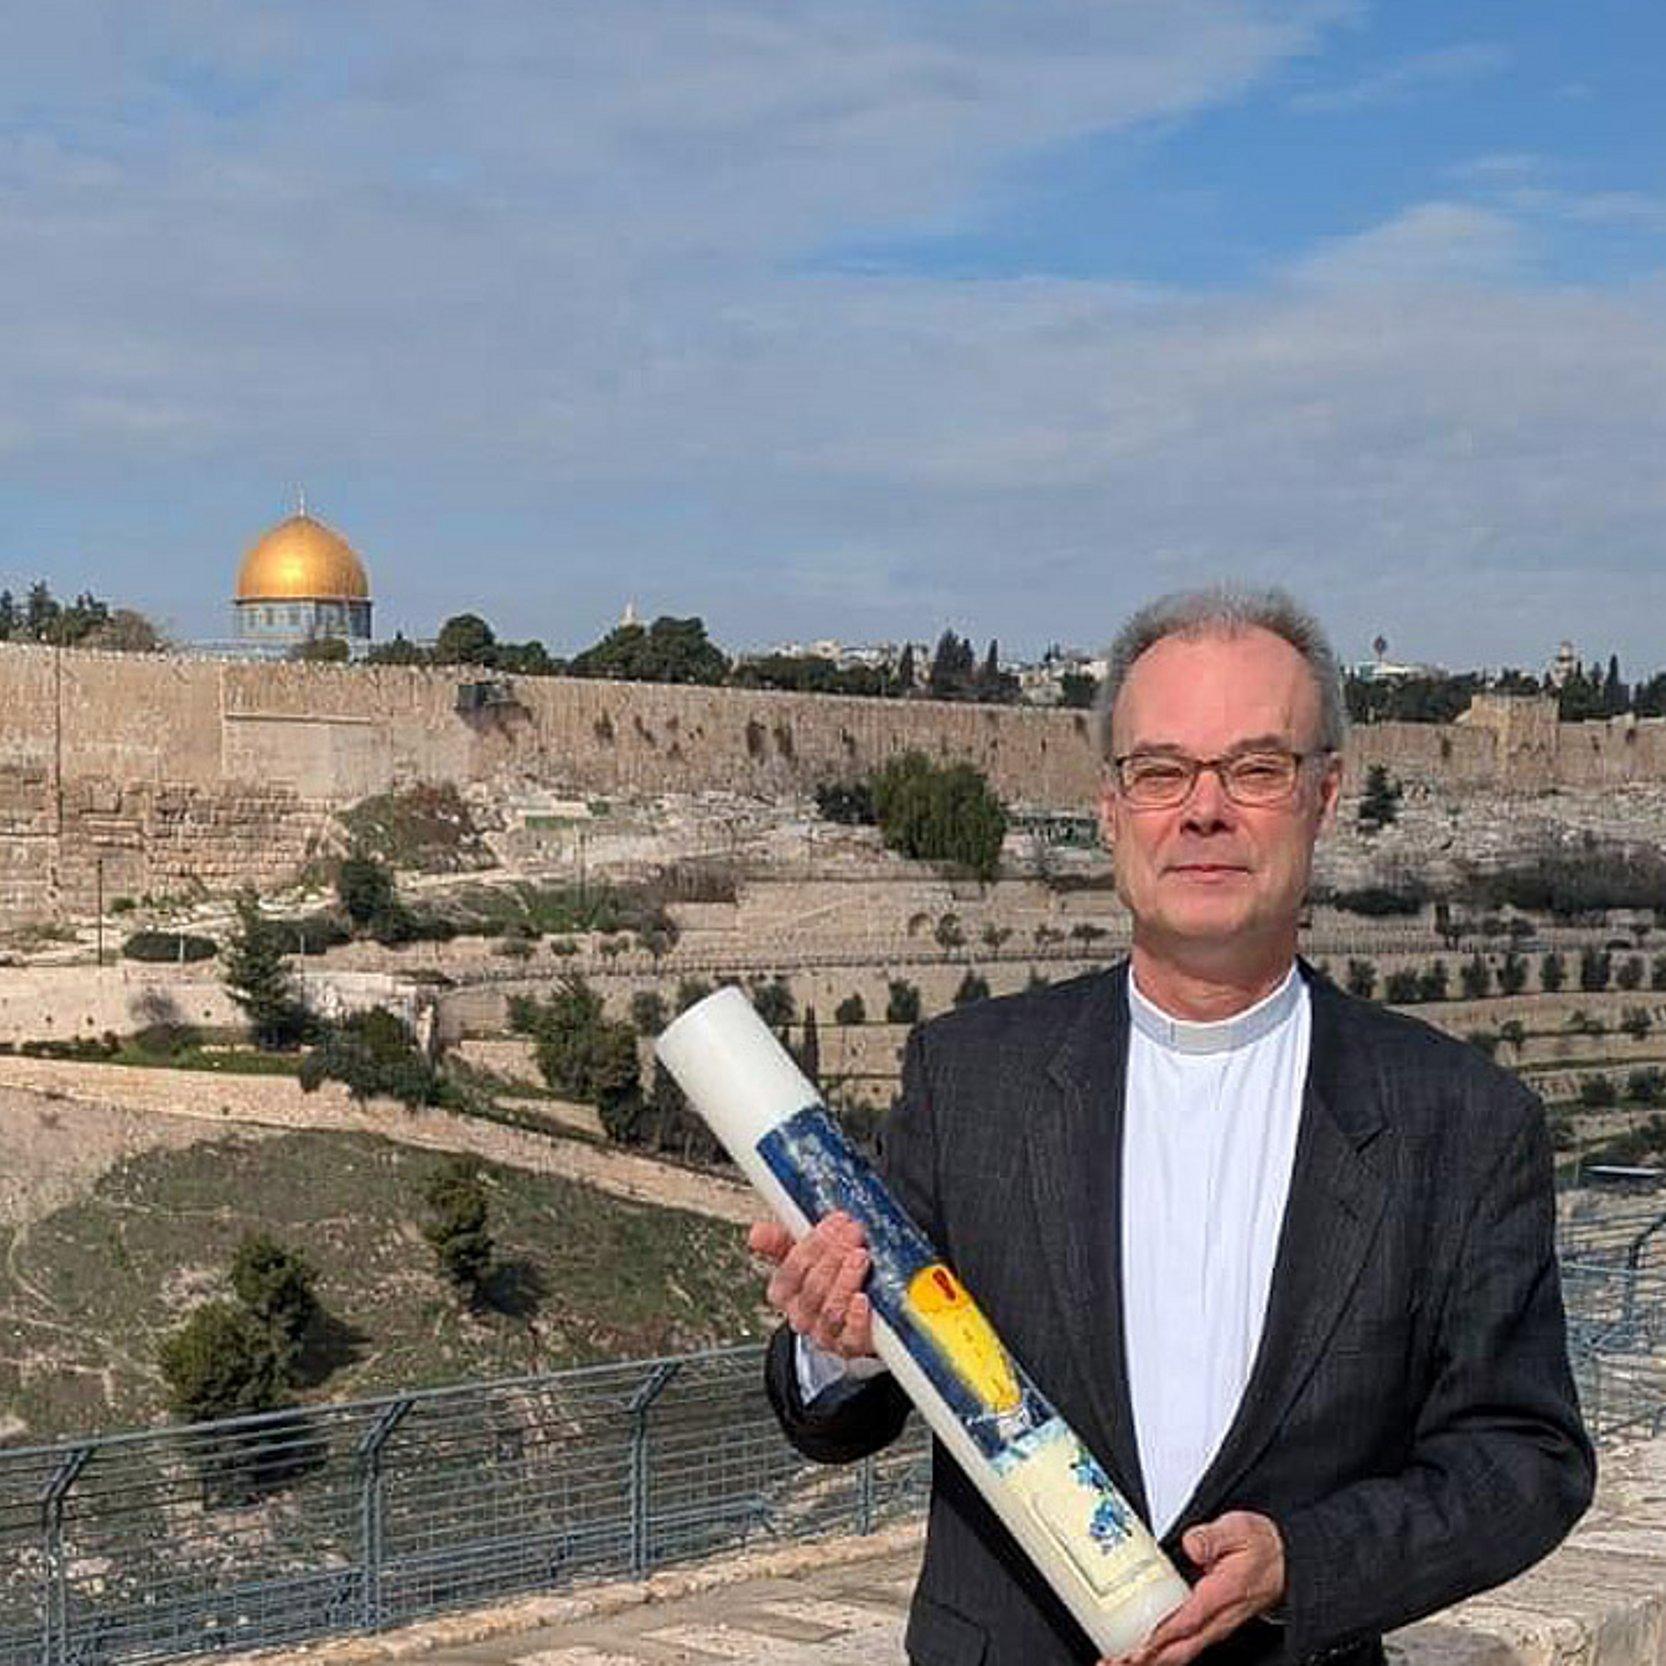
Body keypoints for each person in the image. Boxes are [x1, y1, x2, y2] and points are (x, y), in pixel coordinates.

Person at [751, 587, 1593, 1666]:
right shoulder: (970, 1079)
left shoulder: (1460, 1121)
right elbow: (837, 1409)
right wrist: (840, 1350)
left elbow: (1524, 1458)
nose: (1203, 811)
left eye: (1253, 768)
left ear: (1323, 794)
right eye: (1160, 771)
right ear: (1110, 806)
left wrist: (1308, 1557)